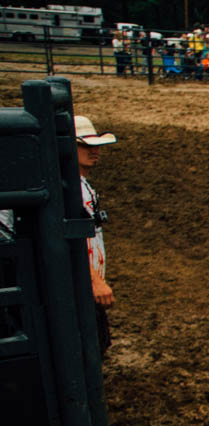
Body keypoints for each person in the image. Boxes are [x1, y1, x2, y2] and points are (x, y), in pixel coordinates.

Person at [74, 116, 118, 357]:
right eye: (86, 145)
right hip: (84, 285)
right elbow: (71, 240)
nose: (94, 151)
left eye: (96, 145)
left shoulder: (80, 185)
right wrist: (95, 281)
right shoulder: (72, 189)